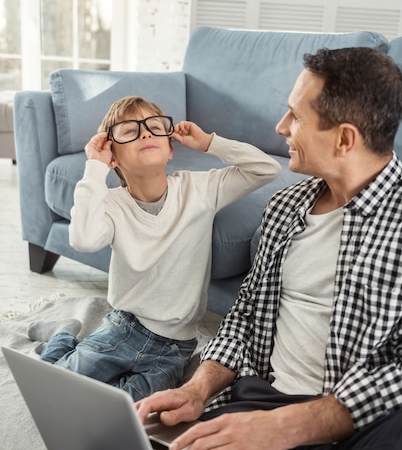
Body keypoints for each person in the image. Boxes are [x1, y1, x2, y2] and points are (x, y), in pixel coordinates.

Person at [5, 47, 402, 450]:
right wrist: (200, 388)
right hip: (255, 405)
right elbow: (244, 316)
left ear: (345, 138)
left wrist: (288, 427)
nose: (280, 128)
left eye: (295, 116)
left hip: (371, 429)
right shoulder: (287, 208)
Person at [27, 95, 280, 401]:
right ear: (113, 157)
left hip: (176, 347)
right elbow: (84, 239)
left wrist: (209, 142)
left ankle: (66, 343)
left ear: (170, 147)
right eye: (129, 131)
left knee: (129, 411)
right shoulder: (111, 205)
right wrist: (94, 167)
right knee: (54, 391)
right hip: (123, 330)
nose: (145, 133)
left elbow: (266, 169)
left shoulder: (199, 190)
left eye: (154, 126)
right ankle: (64, 335)